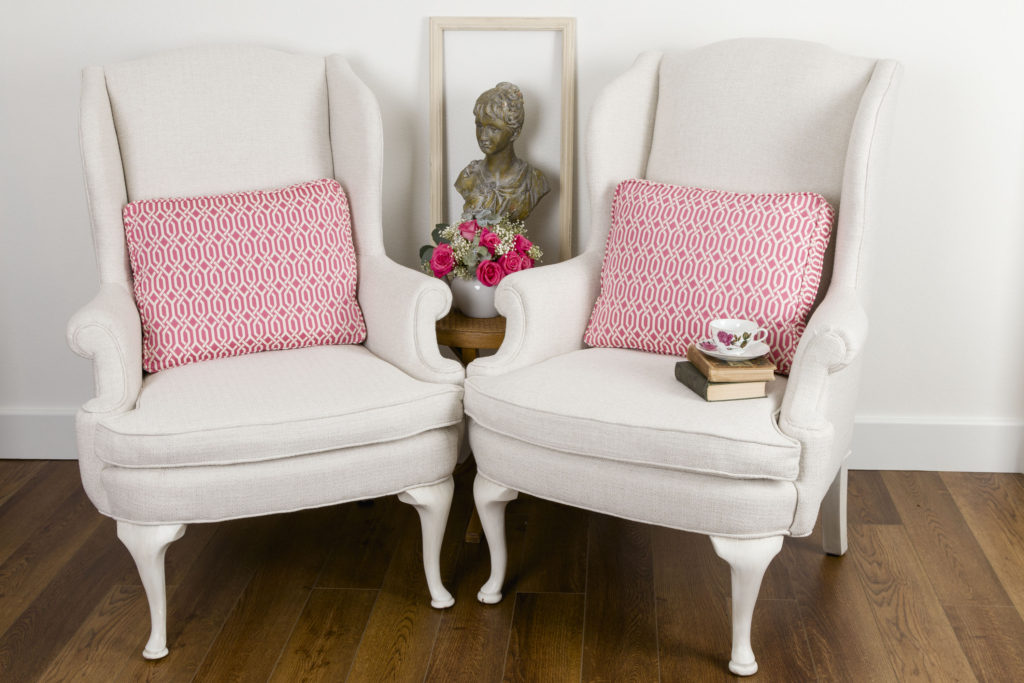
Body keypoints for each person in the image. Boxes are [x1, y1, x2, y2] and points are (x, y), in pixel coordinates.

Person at [455, 82, 550, 222]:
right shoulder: (468, 177)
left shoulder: (534, 181)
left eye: (493, 129)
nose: (483, 136)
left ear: (515, 133)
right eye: (480, 126)